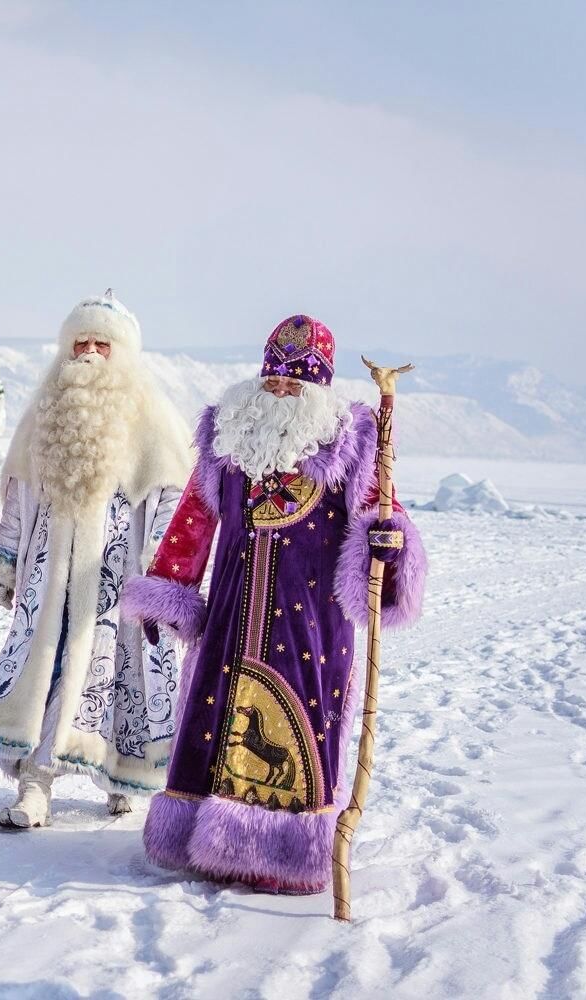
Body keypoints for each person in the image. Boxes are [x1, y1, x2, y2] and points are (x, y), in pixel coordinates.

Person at [123, 314, 427, 893]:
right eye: (273, 378)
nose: (280, 389)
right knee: (217, 722)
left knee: (304, 734)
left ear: (319, 389)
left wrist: (386, 543)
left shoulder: (355, 446)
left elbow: (386, 520)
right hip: (232, 616)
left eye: (296, 381)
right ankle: (205, 842)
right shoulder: (226, 436)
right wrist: (171, 586)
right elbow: (194, 519)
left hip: (313, 624)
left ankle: (286, 857)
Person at [0, 292, 193, 829]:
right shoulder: (45, 408)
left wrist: (160, 572)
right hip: (49, 579)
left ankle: (119, 773)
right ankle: (36, 780)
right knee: (46, 669)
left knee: (116, 675)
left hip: (116, 579)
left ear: (122, 352)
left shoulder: (152, 414)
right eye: (80, 342)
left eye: (102, 343)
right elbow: (20, 492)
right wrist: (4, 559)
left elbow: (170, 496)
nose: (89, 353)